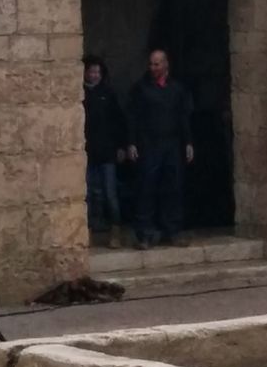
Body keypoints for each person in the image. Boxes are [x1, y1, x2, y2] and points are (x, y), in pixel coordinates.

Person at [126, 47, 194, 249]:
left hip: (172, 144)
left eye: (157, 64)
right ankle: (145, 234)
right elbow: (132, 117)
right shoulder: (140, 89)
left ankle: (172, 231)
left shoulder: (177, 89)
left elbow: (184, 117)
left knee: (173, 186)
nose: (153, 67)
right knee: (147, 187)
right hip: (149, 144)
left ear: (165, 64)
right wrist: (131, 142)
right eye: (151, 64)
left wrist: (188, 142)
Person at [82, 54, 129, 245]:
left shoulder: (108, 94)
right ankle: (92, 230)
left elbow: (118, 122)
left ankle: (115, 231)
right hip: (88, 152)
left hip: (107, 151)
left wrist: (121, 146)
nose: (94, 75)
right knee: (92, 193)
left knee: (110, 193)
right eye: (91, 71)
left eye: (97, 72)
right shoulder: (80, 94)